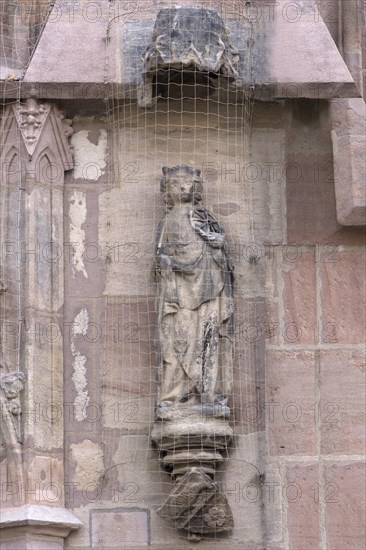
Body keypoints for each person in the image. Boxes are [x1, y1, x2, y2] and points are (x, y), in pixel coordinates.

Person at [155, 165, 234, 419]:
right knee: (176, 342)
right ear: (167, 189)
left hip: (207, 290)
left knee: (206, 342)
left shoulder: (202, 216)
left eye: (188, 182)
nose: (182, 187)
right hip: (178, 295)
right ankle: (172, 398)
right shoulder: (166, 222)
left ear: (196, 187)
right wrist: (164, 264)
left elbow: (219, 250)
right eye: (176, 182)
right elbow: (159, 260)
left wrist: (218, 246)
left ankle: (208, 397)